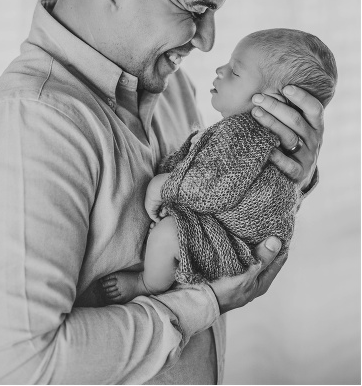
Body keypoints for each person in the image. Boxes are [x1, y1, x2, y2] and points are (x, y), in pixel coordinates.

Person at [0, 0, 324, 384]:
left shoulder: (171, 82)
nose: (208, 41)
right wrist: (200, 303)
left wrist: (292, 169)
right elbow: (19, 367)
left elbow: (215, 199)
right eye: (196, 8)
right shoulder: (32, 123)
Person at [80, 29, 336, 305]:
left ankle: (146, 283)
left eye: (235, 72)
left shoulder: (245, 133)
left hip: (231, 246)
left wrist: (164, 186)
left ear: (276, 103)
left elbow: (212, 188)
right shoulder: (255, 138)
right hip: (234, 241)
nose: (220, 69)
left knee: (168, 234)